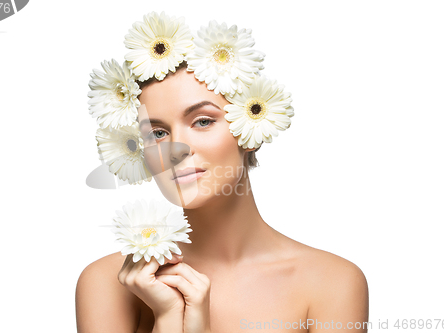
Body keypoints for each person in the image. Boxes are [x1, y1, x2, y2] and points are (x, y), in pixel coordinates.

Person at [76, 12, 368, 333]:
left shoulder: (331, 283)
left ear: (251, 127)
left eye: (203, 121)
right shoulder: (109, 283)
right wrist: (169, 318)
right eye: (157, 133)